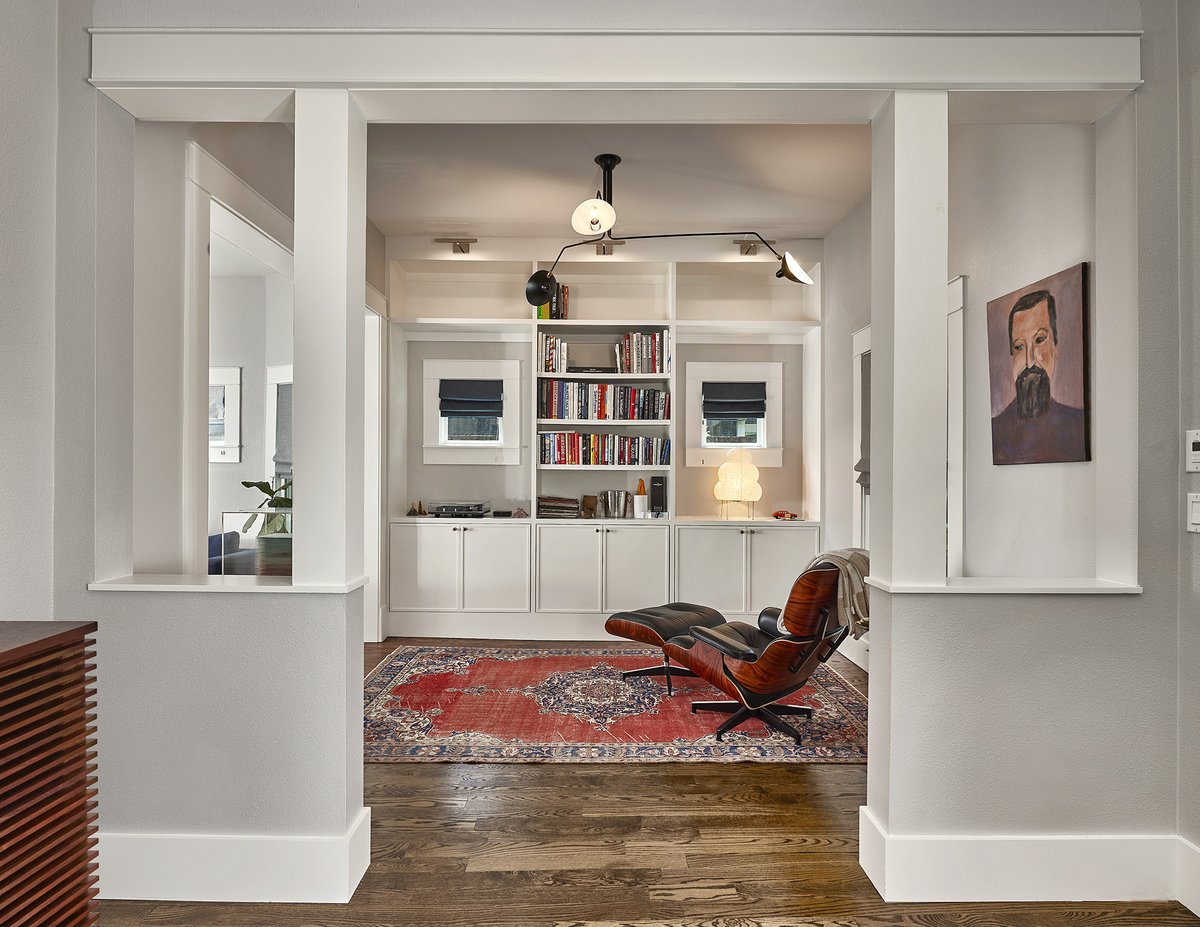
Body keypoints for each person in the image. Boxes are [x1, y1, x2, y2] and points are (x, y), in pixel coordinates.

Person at [990, 289, 1088, 464]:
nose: (1030, 361)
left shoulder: (1078, 424)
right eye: (1019, 347)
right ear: (1012, 356)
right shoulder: (995, 431)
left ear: (1055, 347)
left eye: (1039, 340)